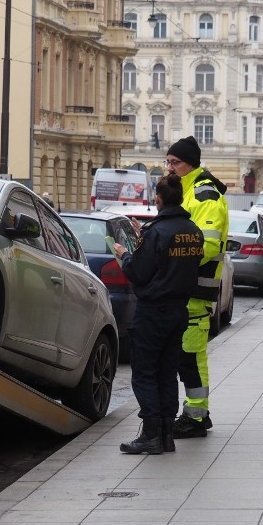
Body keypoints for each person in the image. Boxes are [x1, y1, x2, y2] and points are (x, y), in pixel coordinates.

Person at [112, 175, 204, 454]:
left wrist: (125, 255)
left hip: (153, 311)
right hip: (179, 311)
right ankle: (165, 434)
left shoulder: (156, 232)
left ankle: (151, 434)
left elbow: (138, 271)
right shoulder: (193, 230)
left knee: (144, 373)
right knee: (166, 373)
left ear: (159, 199)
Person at [161, 136, 229, 439]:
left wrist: (171, 256)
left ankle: (197, 416)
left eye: (175, 162)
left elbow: (209, 244)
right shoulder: (188, 192)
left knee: (191, 355)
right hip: (183, 288)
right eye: (168, 162)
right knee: (184, 355)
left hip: (194, 289)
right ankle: (194, 413)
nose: (170, 168)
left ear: (191, 164)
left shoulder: (204, 196)